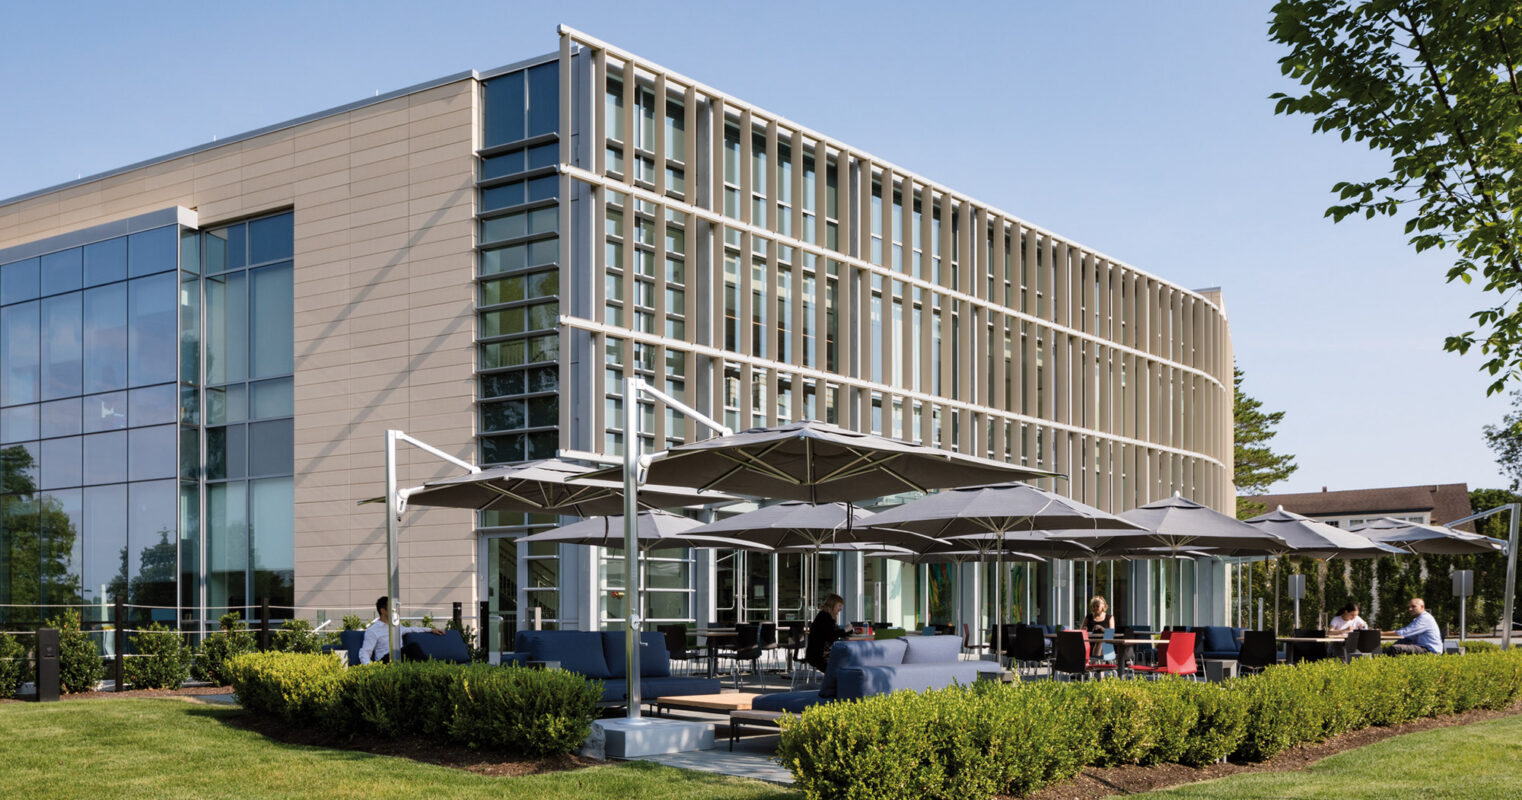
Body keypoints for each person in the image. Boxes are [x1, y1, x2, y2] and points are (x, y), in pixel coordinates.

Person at [357, 596, 445, 664]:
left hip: (400, 658)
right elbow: (365, 651)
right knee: (412, 647)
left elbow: (411, 629)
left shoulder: (395, 625)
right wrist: (369, 669)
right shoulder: (373, 630)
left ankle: (430, 670)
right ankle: (432, 666)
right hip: (385, 660)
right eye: (392, 608)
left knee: (413, 658)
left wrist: (431, 630)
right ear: (383, 611)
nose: (395, 611)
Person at [805, 594, 849, 673]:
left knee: (845, 659)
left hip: (816, 653)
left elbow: (832, 633)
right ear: (833, 605)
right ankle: (835, 684)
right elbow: (831, 636)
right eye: (839, 606)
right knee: (846, 661)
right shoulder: (825, 617)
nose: (841, 609)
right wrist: (845, 630)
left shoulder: (824, 615)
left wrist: (848, 631)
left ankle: (835, 683)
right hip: (818, 656)